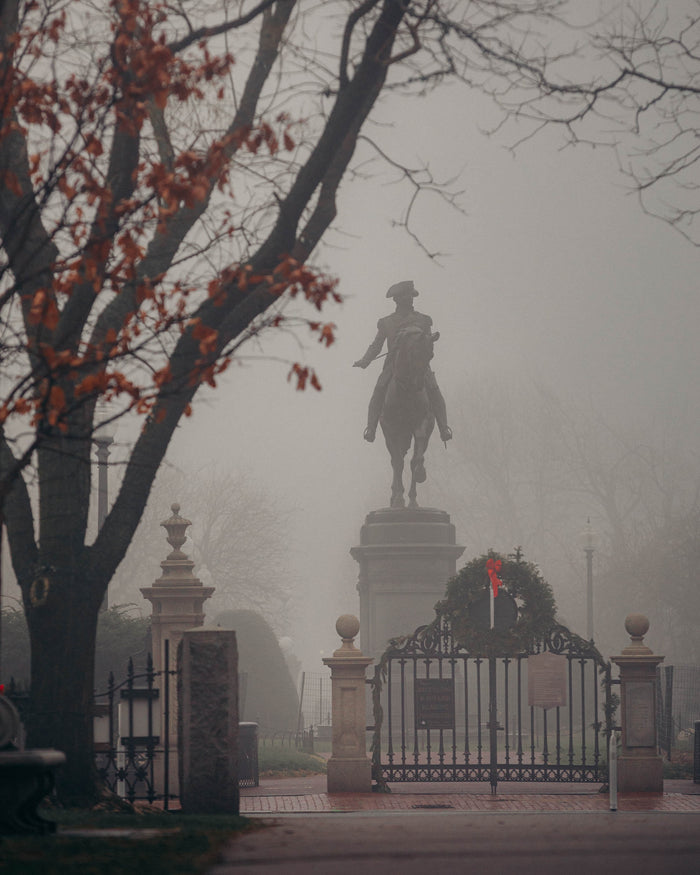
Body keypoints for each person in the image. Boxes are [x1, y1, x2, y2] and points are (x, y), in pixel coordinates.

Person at [353, 280, 452, 442]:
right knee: (379, 390)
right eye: (407, 296)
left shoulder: (423, 320)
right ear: (397, 299)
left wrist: (426, 348)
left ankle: (443, 428)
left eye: (411, 296)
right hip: (394, 367)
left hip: (420, 366)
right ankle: (371, 428)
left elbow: (428, 343)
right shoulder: (386, 322)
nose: (411, 299)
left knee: (434, 389)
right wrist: (365, 360)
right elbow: (376, 346)